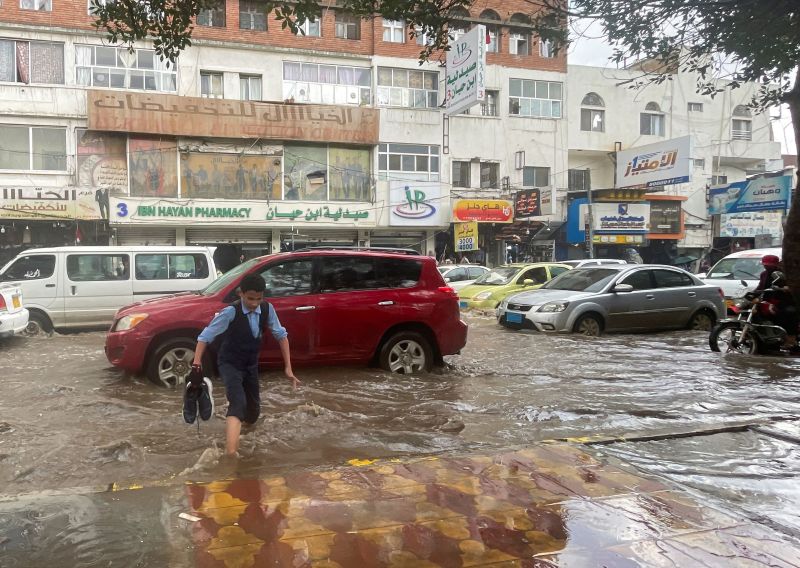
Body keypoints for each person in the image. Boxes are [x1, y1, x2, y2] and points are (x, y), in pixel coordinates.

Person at [192, 274, 300, 456]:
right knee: (238, 404)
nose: (254, 303)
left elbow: (281, 335)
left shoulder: (267, 309)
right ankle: (231, 455)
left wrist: (288, 368)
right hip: (230, 363)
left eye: (259, 299)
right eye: (250, 299)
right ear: (240, 293)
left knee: (253, 413)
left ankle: (237, 424)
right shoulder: (230, 312)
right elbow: (204, 337)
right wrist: (196, 363)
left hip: (250, 365)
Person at [755, 254, 798, 349]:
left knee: (788, 313)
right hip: (767, 301)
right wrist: (752, 294)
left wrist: (785, 288)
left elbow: (792, 287)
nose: (766, 266)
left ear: (775, 265)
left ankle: (791, 339)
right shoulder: (763, 274)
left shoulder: (784, 274)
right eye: (764, 265)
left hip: (784, 300)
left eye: (768, 265)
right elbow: (760, 287)